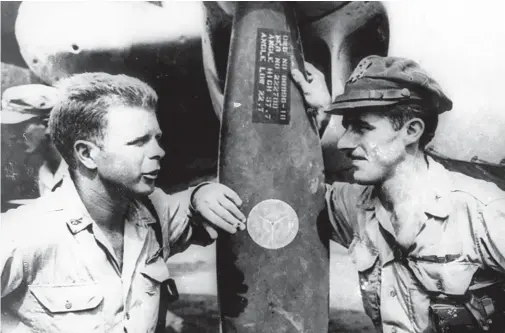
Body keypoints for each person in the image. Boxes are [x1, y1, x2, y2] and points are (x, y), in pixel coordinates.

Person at [0, 72, 246, 333]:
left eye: (156, 138)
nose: (158, 152)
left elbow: (189, 210)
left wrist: (202, 193)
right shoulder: (25, 232)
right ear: (86, 154)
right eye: (139, 142)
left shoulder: (153, 213)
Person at [291, 56, 505, 333]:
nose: (344, 142)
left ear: (411, 130)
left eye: (361, 128)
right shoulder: (353, 206)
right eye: (346, 128)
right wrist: (316, 118)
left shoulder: (481, 210)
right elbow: (284, 197)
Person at [1, 84, 69, 196]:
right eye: (11, 129)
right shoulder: (45, 172)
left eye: (20, 126)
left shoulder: (80, 170)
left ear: (48, 123)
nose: (12, 136)